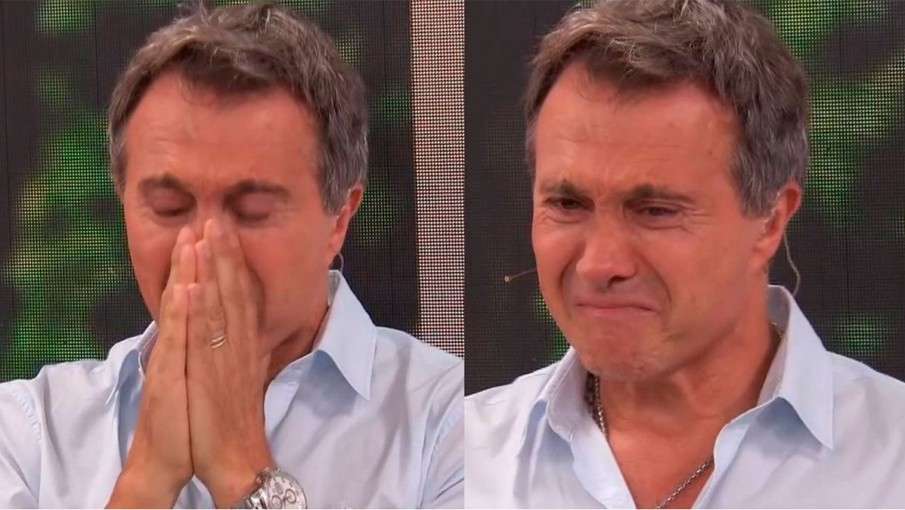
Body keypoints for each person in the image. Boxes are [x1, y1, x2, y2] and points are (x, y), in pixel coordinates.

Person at [0, 3, 463, 508]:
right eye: (169, 207)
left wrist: (243, 472)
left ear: (339, 218)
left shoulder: (448, 423)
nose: (204, 244)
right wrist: (147, 479)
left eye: (252, 211)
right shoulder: (28, 432)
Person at [465, 0, 905, 507]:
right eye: (567, 205)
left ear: (770, 221)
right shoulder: (462, 460)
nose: (600, 265)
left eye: (655, 211)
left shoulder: (890, 461)